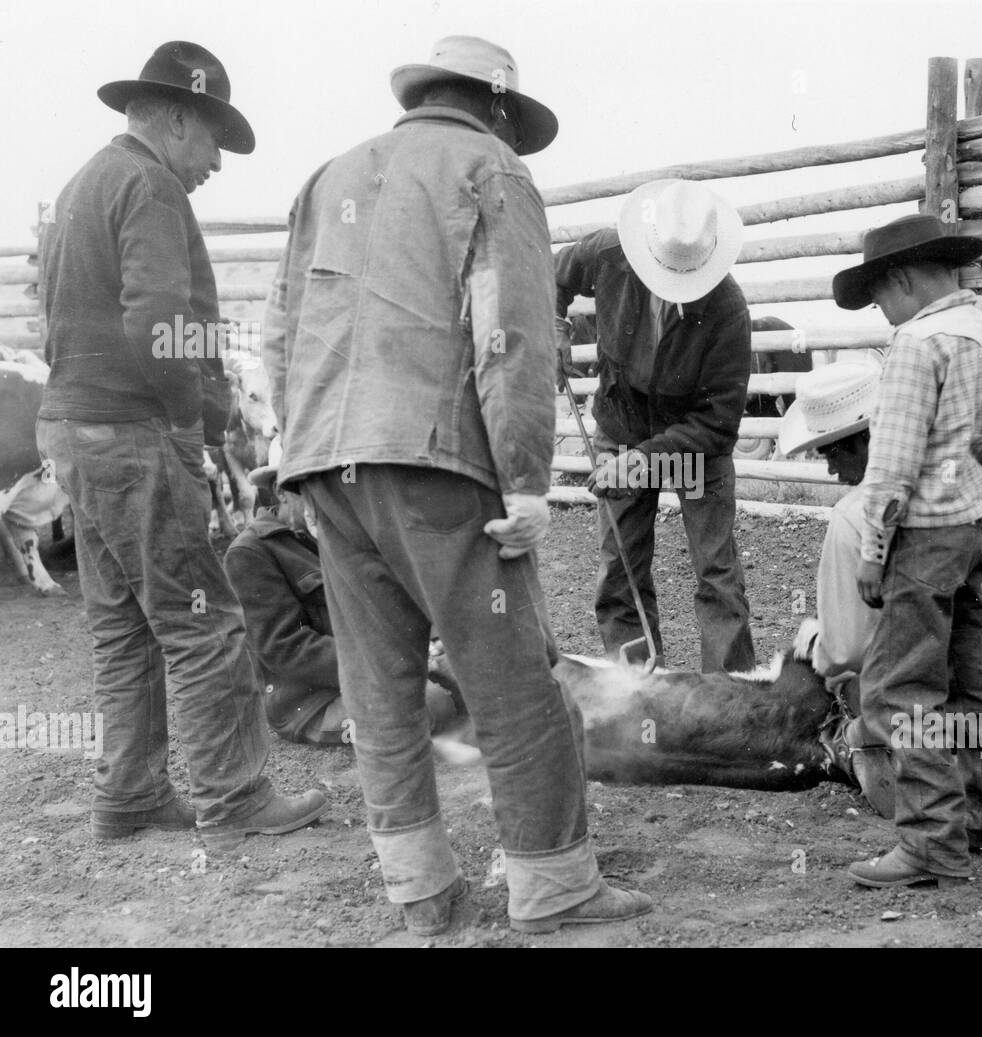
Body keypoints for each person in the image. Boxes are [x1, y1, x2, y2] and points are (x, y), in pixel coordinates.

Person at [262, 35, 651, 937]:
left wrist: (295, 457)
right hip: (437, 462)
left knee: (379, 689)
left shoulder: (326, 178)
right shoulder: (493, 170)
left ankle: (422, 894)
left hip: (329, 465)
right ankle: (554, 886)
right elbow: (510, 330)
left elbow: (283, 329)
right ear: (501, 109)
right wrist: (524, 477)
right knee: (514, 683)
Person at [35, 41, 327, 848]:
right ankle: (233, 796)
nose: (215, 165)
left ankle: (129, 794)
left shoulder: (82, 185)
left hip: (73, 428)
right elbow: (157, 320)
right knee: (204, 618)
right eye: (212, 142)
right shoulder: (151, 185)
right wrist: (190, 421)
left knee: (124, 623)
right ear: (174, 119)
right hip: (133, 433)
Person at [782, 361, 982, 831]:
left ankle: (859, 749)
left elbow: (846, 651)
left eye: (832, 451)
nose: (830, 467)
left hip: (923, 685)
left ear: (867, 439)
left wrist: (815, 644)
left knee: (846, 713)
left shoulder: (854, 518)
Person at [828, 214, 982, 889]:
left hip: (923, 539)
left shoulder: (914, 343)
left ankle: (933, 841)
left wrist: (875, 546)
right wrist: (975, 493)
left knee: (903, 688)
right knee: (973, 675)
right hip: (971, 527)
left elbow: (891, 463)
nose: (883, 315)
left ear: (900, 280)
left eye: (880, 300)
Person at [554, 180, 756, 673]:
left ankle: (729, 698)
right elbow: (550, 273)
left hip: (694, 452)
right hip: (621, 421)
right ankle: (634, 689)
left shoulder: (728, 310)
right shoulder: (606, 252)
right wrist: (552, 324)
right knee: (621, 563)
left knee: (716, 571)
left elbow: (717, 423)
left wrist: (641, 463)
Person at [223, 439, 464, 744]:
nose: (329, 500)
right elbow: (285, 649)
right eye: (314, 491)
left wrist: (427, 645)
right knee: (429, 704)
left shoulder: (338, 526)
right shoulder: (251, 552)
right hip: (315, 699)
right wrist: (388, 660)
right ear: (281, 490)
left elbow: (392, 599)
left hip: (385, 664)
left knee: (481, 671)